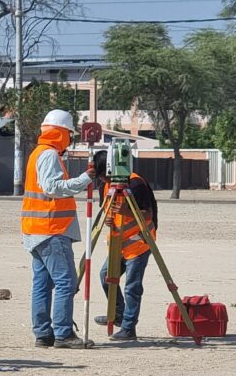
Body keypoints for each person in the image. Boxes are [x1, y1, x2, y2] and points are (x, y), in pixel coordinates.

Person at [22, 109, 96, 349]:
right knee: (66, 282)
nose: (70, 140)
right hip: (52, 229)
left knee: (42, 283)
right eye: (69, 135)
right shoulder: (49, 155)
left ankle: (43, 334)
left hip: (37, 229)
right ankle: (63, 333)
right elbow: (53, 188)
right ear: (61, 133)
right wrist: (86, 178)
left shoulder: (38, 153)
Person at [93, 150, 158, 341]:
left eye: (104, 175)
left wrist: (126, 210)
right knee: (105, 276)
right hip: (118, 243)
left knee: (132, 287)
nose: (104, 180)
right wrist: (108, 220)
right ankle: (119, 314)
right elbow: (108, 210)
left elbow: (147, 214)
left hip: (138, 243)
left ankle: (129, 328)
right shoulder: (105, 187)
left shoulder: (136, 184)